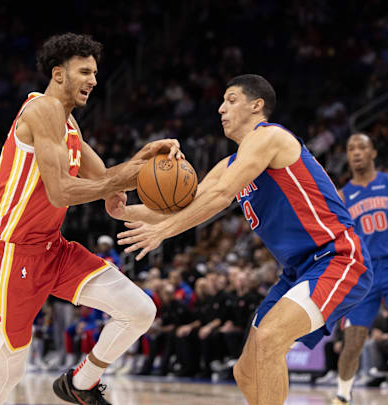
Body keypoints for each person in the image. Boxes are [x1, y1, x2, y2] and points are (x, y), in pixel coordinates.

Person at [116, 74, 373, 405]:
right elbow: (183, 206)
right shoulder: (230, 164)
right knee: (245, 372)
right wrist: (121, 210)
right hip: (297, 271)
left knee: (269, 339)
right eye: (221, 102)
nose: (221, 108)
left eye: (231, 100)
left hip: (338, 256)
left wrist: (162, 234)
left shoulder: (270, 137)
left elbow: (222, 196)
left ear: (257, 105)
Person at [0, 33, 181, 405]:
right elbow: (62, 192)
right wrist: (136, 174)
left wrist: (144, 162)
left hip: (53, 250)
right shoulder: (41, 110)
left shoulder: (69, 126)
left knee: (139, 310)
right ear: (58, 73)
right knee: (10, 368)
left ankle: (81, 383)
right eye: (84, 71)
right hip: (12, 255)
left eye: (96, 73)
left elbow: (106, 188)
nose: (94, 80)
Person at [333, 133, 388, 405]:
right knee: (353, 340)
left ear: (373, 152)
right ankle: (342, 395)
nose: (356, 152)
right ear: (348, 156)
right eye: (351, 148)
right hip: (363, 273)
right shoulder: (341, 196)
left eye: (362, 146)